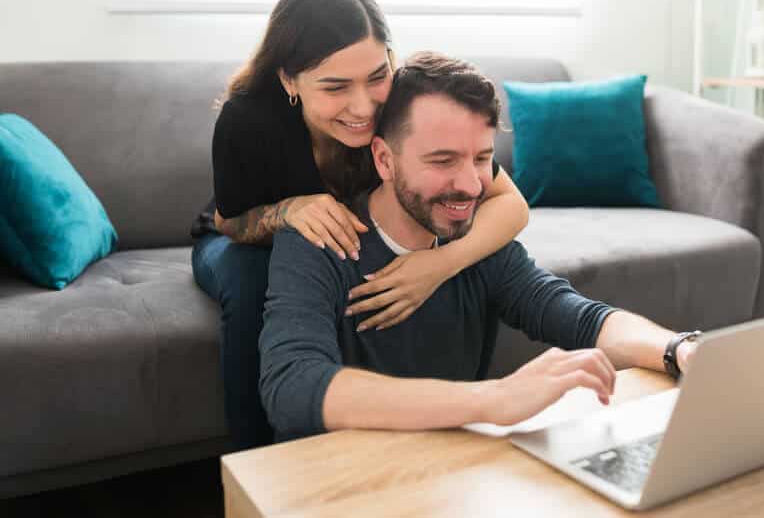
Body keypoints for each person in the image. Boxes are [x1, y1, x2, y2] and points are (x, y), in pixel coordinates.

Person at [258, 52, 699, 441]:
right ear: (384, 159)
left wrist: (678, 349)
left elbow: (579, 317)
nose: (470, 186)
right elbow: (293, 387)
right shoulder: (317, 241)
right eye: (443, 160)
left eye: (482, 158)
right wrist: (493, 399)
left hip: (452, 474)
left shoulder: (473, 238)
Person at [190, 0, 530, 449]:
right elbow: (230, 221)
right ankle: (257, 460)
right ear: (289, 80)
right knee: (253, 282)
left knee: (462, 248)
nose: (363, 106)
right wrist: (289, 210)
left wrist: (438, 266)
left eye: (376, 76)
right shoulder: (247, 120)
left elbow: (510, 205)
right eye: (335, 87)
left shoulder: (401, 103)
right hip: (241, 237)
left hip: (343, 244)